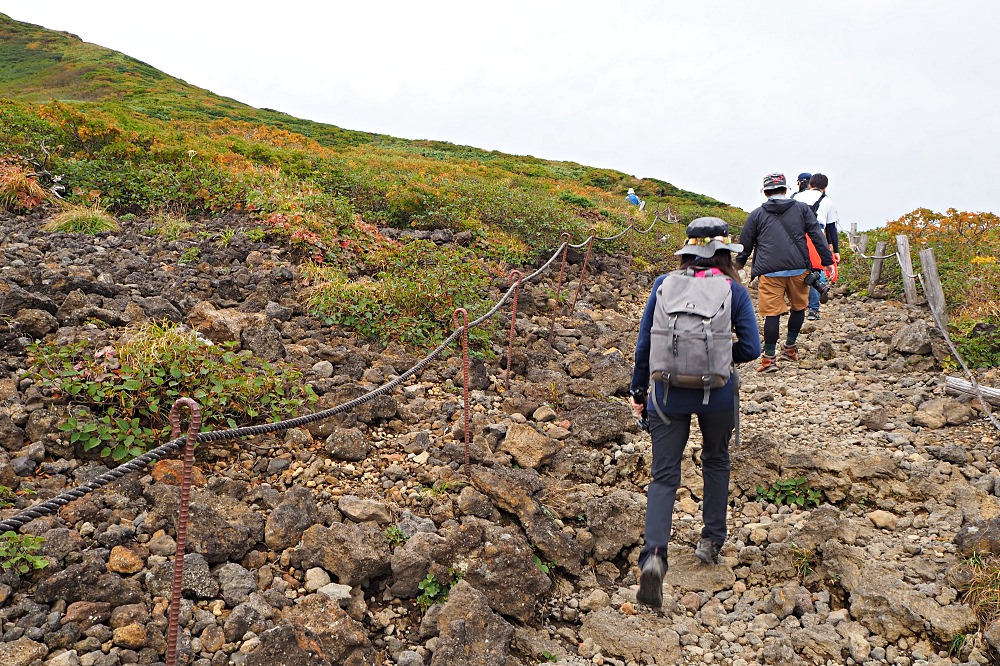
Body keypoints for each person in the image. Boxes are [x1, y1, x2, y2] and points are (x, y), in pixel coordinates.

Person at [630, 217, 761, 609]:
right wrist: (718, 358)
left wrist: (639, 391)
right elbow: (752, 348)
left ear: (687, 250)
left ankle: (654, 556)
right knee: (716, 460)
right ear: (724, 252)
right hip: (717, 394)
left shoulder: (663, 285)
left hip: (667, 393)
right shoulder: (733, 290)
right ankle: (710, 541)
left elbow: (644, 345)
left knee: (664, 475)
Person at [734, 173, 833, 372]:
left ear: (766, 192)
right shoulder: (802, 210)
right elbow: (816, 236)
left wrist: (737, 267)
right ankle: (789, 348)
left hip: (770, 272)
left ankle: (769, 359)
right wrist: (827, 261)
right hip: (799, 269)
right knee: (798, 308)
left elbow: (745, 245)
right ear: (786, 189)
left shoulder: (756, 215)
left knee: (772, 314)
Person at [791, 173, 841, 319]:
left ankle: (798, 305)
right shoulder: (827, 201)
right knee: (816, 271)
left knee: (797, 270)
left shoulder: (795, 197)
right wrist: (834, 250)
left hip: (795, 237)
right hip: (816, 238)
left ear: (810, 184)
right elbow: (831, 228)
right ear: (825, 187)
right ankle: (814, 309)